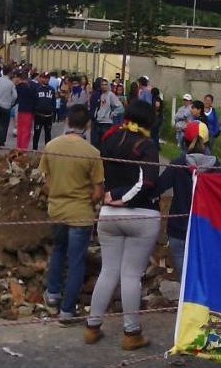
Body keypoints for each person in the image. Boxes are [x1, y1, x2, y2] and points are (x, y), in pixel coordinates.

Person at [84, 100, 160, 351]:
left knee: (108, 271)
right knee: (130, 275)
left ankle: (92, 327)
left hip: (108, 214)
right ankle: (131, 333)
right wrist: (122, 198)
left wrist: (111, 196)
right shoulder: (146, 145)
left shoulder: (109, 137)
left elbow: (101, 171)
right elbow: (147, 182)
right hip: (140, 214)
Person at [38, 104, 104, 325]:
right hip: (81, 214)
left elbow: (45, 184)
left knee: (58, 250)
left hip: (56, 210)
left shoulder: (51, 146)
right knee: (76, 261)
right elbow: (98, 192)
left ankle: (53, 294)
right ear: (87, 125)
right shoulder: (92, 153)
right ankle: (67, 311)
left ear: (66, 121)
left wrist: (59, 192)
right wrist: (85, 200)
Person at [156, 121, 219, 282]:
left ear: (183, 141)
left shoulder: (178, 163)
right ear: (207, 142)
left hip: (179, 228)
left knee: (186, 279)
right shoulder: (218, 167)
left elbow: (159, 187)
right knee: (204, 277)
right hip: (208, 229)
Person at [91, 78, 123, 149]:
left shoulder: (110, 95)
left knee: (105, 142)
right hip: (99, 121)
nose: (104, 86)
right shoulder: (101, 95)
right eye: (102, 84)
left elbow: (120, 107)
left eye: (105, 84)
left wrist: (113, 114)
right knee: (97, 142)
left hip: (107, 122)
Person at [0, 69, 17, 146]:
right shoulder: (11, 83)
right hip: (6, 106)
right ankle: (2, 141)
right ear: (9, 72)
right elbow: (15, 96)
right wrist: (11, 103)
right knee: (5, 124)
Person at [32, 72, 56, 150]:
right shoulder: (37, 88)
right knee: (37, 134)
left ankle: (47, 150)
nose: (45, 79)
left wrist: (53, 112)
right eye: (44, 77)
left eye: (47, 78)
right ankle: (34, 150)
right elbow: (34, 100)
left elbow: (53, 101)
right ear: (40, 78)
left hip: (48, 116)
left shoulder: (52, 89)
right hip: (38, 115)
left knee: (48, 134)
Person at [14, 70, 35, 150]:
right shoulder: (30, 87)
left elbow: (15, 100)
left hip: (20, 111)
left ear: (19, 78)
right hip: (28, 112)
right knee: (26, 132)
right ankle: (23, 149)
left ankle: (18, 147)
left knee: (20, 130)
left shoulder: (17, 87)